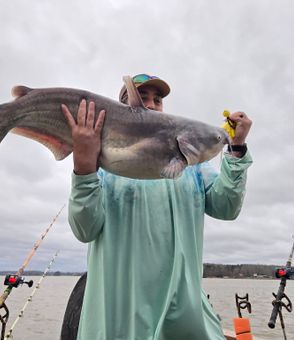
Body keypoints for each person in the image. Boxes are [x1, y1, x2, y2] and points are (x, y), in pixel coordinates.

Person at [61, 74, 252, 340]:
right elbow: (84, 229)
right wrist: (83, 169)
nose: (150, 104)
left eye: (158, 99)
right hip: (119, 321)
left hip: (184, 319)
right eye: (139, 99)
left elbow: (227, 207)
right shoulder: (103, 169)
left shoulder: (194, 168)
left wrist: (237, 149)